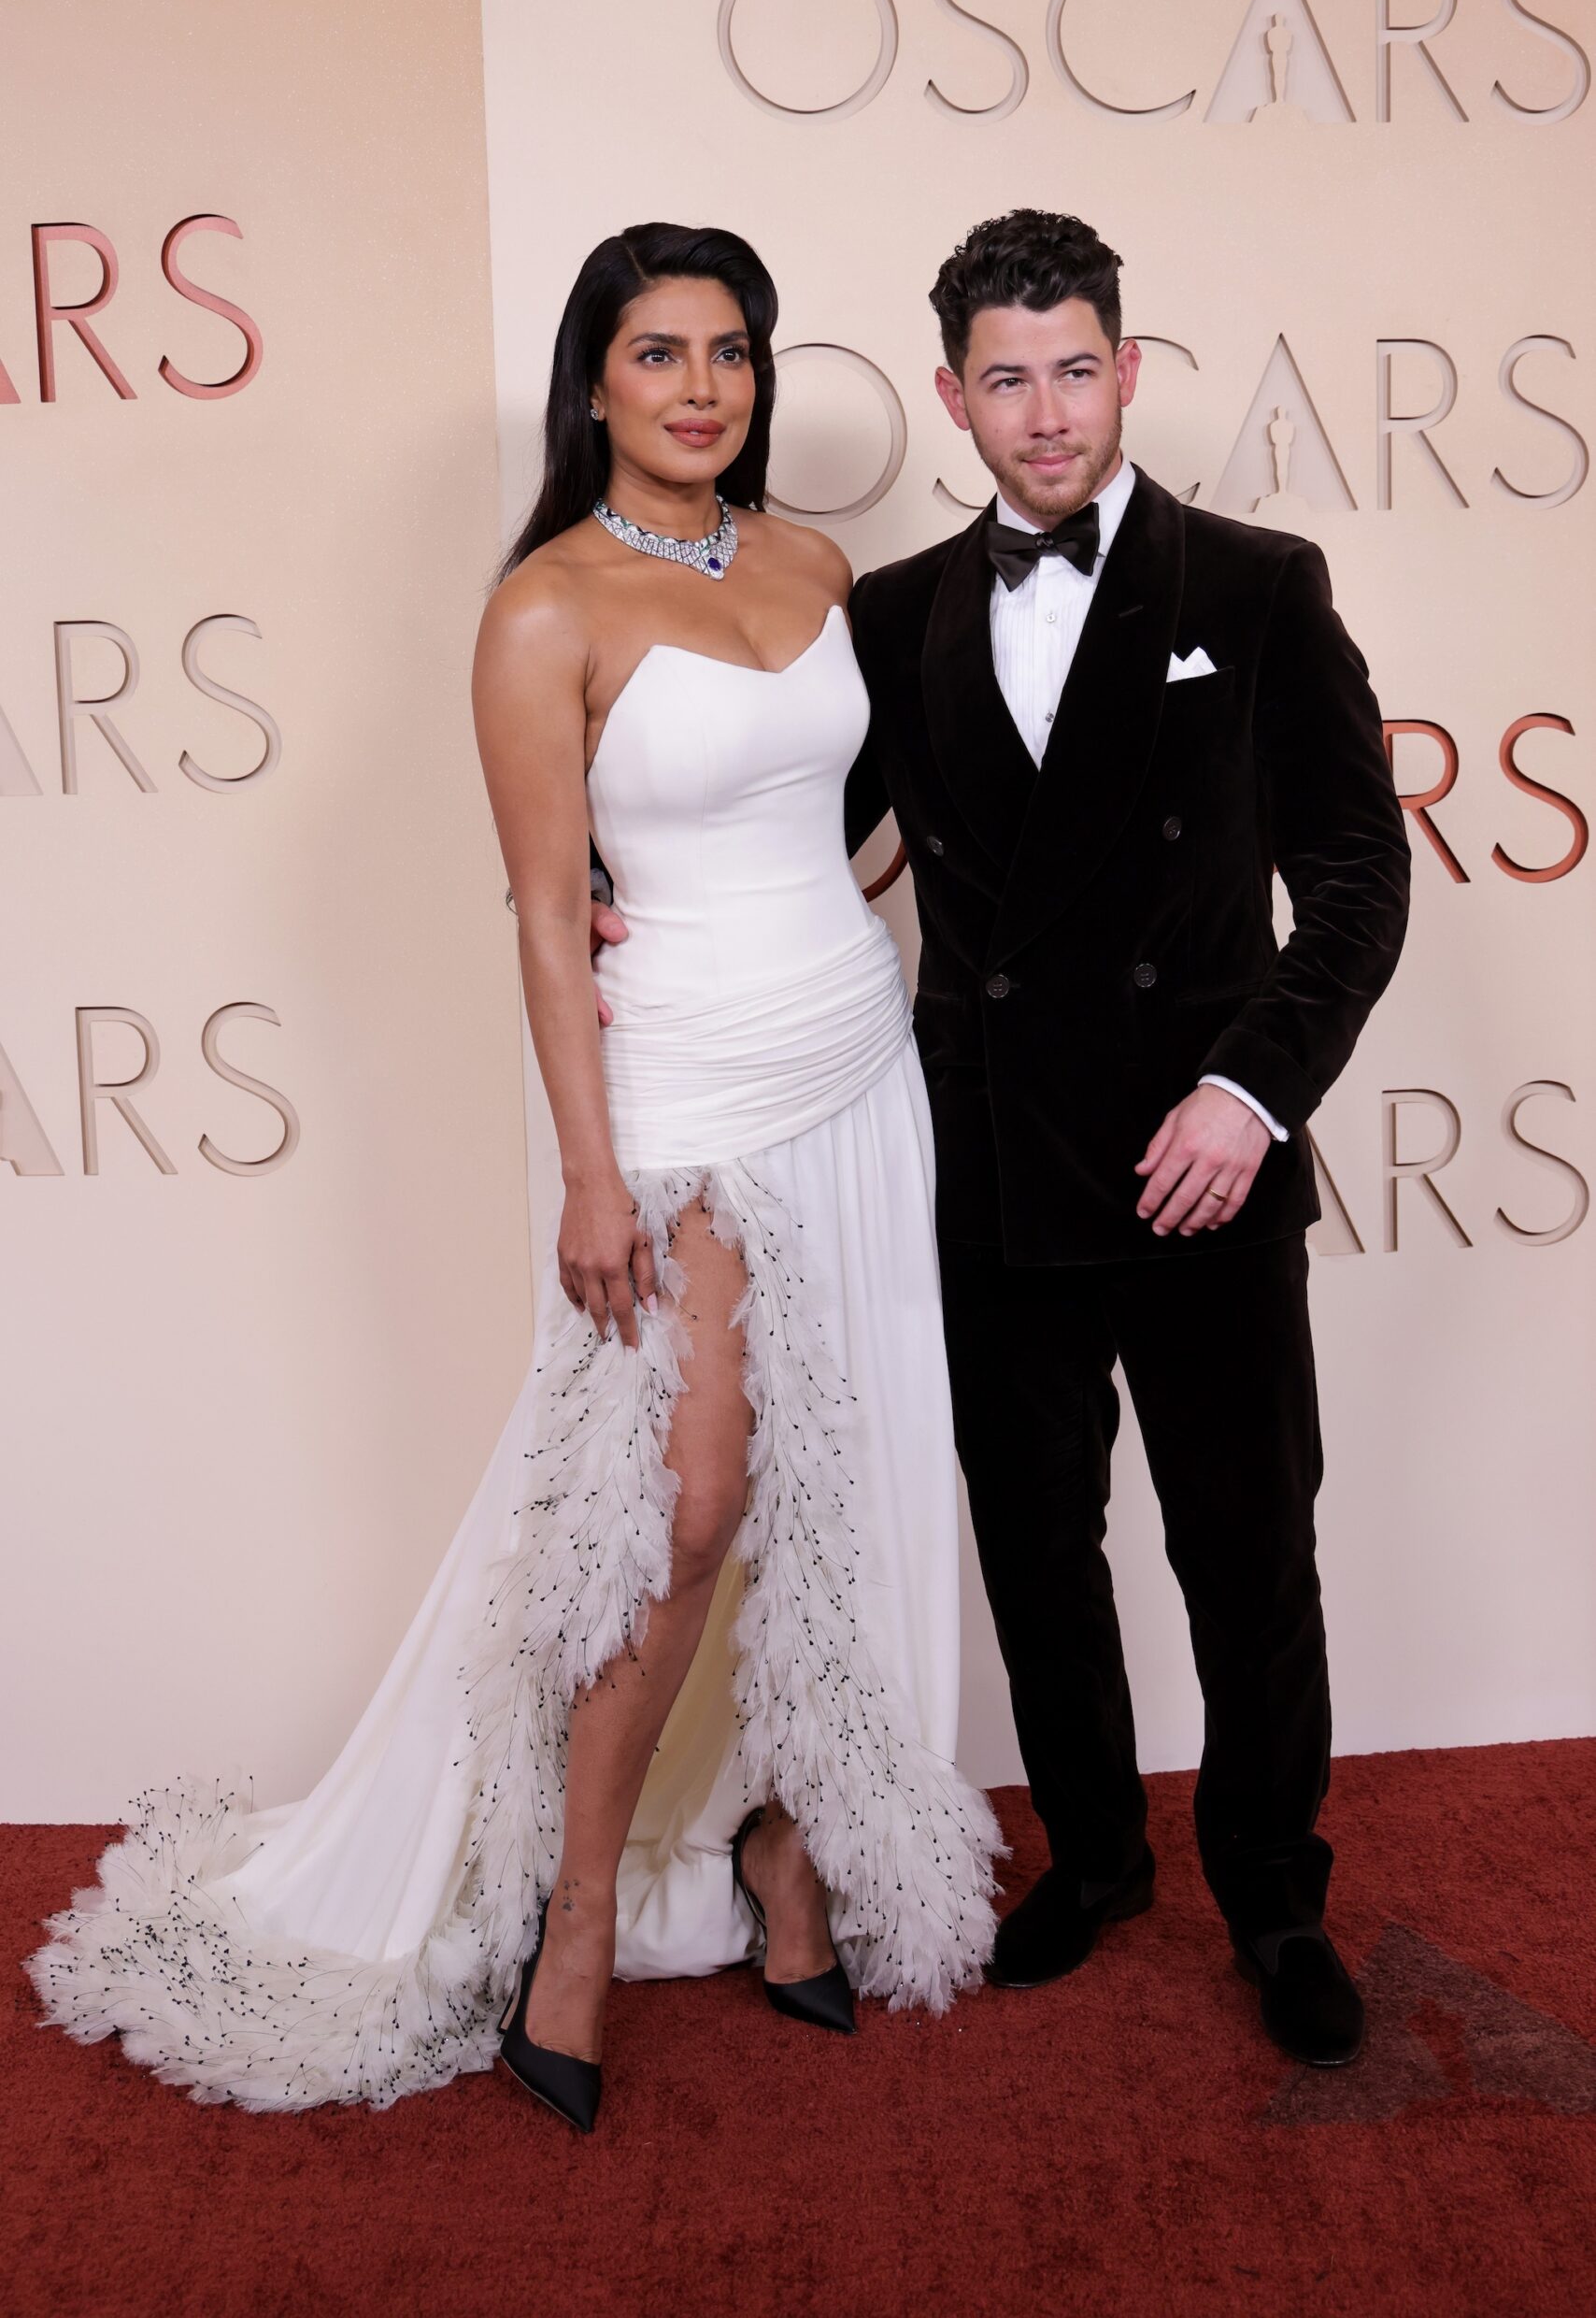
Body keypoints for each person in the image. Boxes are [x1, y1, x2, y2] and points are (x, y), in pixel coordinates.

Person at [26, 222, 1001, 2131]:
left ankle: (785, 1858)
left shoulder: (817, 566)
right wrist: (587, 1170)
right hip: (679, 1097)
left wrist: (863, 911)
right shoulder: (542, 607)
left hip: (853, 1067)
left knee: (849, 1484)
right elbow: (551, 920)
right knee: (684, 1507)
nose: (699, 385)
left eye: (726, 349)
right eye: (658, 352)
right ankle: (567, 1915)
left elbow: (857, 816)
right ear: (594, 382)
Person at [841, 209, 1410, 2068]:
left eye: (1071, 365)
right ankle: (1091, 1855)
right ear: (950, 395)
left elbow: (1349, 873)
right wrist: (618, 903)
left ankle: (1270, 1888)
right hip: (992, 1153)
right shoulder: (890, 613)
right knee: (1033, 1532)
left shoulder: (1251, 584)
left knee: (1246, 1545)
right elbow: (799, 847)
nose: (1042, 407)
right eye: (1002, 376)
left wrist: (1249, 1091)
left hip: (1200, 1158)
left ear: (1125, 369)